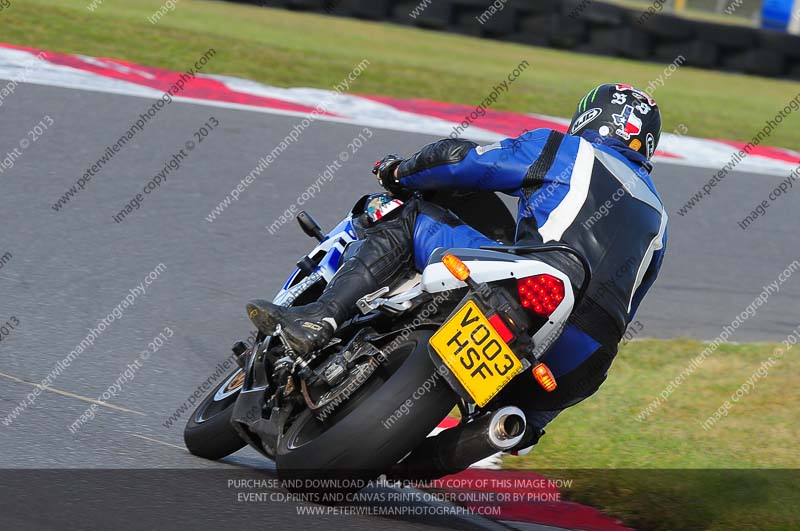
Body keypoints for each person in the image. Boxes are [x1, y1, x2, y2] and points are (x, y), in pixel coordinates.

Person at [247, 83, 668, 451]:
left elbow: (463, 162)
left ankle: (322, 317)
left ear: (589, 117)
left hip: (539, 278)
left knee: (410, 215)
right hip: (583, 356)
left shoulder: (568, 149)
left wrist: (399, 172)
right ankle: (504, 430)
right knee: (519, 421)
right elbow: (627, 306)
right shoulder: (659, 219)